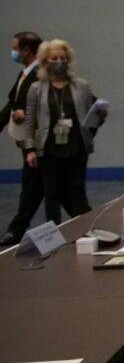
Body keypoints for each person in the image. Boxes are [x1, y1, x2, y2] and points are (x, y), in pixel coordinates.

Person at [21, 39, 105, 225]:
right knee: (52, 194)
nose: (59, 61)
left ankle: (83, 230)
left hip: (76, 147)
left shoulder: (82, 86)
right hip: (48, 149)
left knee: (78, 192)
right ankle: (54, 232)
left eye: (63, 58)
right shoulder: (36, 88)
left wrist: (100, 116)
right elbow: (30, 120)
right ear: (45, 61)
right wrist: (30, 149)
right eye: (54, 58)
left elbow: (91, 117)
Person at [2, 31, 44, 245]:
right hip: (28, 141)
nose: (13, 52)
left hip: (37, 141)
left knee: (33, 187)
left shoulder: (39, 74)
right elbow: (13, 103)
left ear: (26, 50)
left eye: (15, 48)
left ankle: (16, 229)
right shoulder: (25, 74)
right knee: (37, 187)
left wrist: (25, 115)